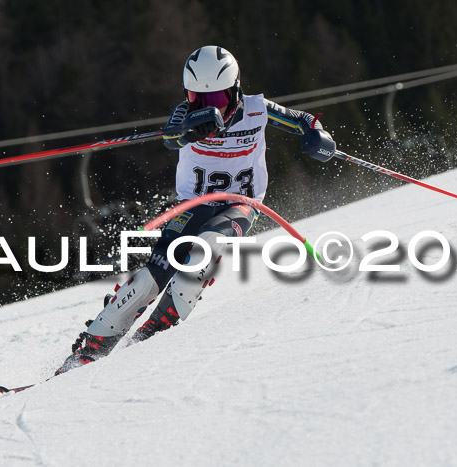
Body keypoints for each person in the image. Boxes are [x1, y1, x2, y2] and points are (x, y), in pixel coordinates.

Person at [56, 45, 336, 374]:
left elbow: (302, 119)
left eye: (215, 100)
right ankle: (90, 349)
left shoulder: (258, 110)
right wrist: (191, 126)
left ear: (235, 90)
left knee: (205, 249)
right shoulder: (184, 116)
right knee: (151, 277)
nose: (207, 106)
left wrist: (317, 133)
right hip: (192, 206)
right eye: (196, 98)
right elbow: (172, 137)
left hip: (240, 204)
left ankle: (156, 331)